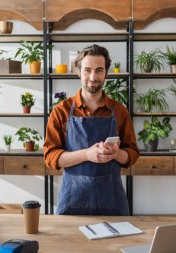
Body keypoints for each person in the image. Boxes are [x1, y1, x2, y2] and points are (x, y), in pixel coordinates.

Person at [43, 44, 139, 215]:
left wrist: (115, 154)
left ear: (106, 73)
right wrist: (87, 154)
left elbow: (132, 154)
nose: (93, 76)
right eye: (87, 70)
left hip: (112, 200)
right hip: (72, 199)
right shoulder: (61, 111)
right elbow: (51, 157)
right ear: (78, 72)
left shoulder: (119, 111)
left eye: (99, 70)